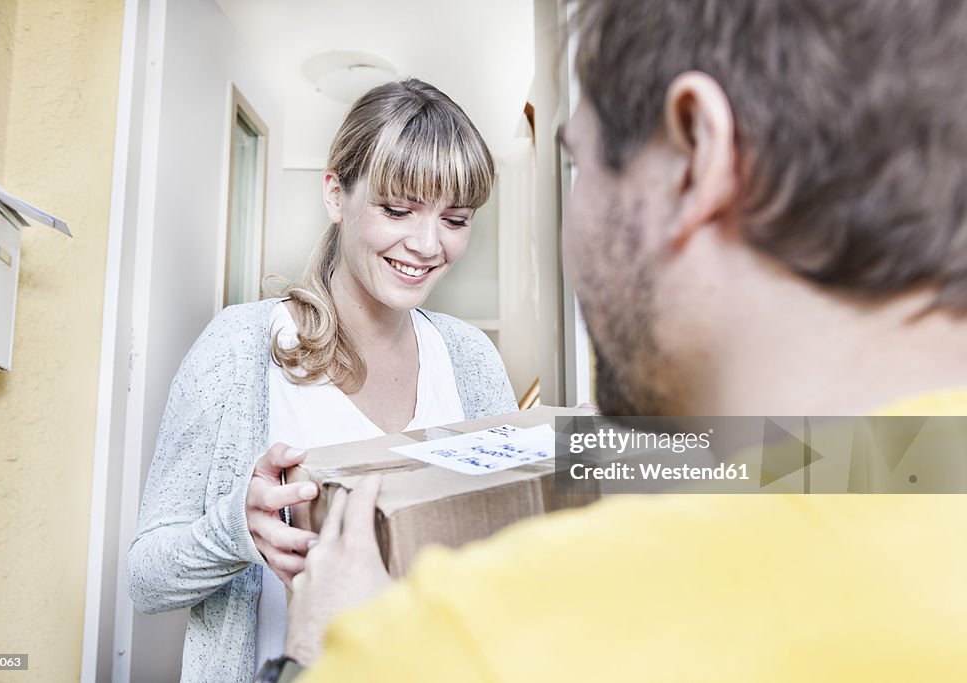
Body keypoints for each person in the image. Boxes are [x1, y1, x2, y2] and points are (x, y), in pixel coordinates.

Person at [268, 1, 967, 680]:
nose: (428, 242)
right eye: (398, 208)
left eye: (581, 165)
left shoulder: (449, 645)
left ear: (695, 156)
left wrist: (326, 646)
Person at [126, 78, 516, 682]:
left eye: (455, 219)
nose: (427, 244)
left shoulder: (470, 359)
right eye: (397, 209)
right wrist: (239, 529)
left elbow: (502, 562)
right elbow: (146, 579)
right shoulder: (239, 348)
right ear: (336, 194)